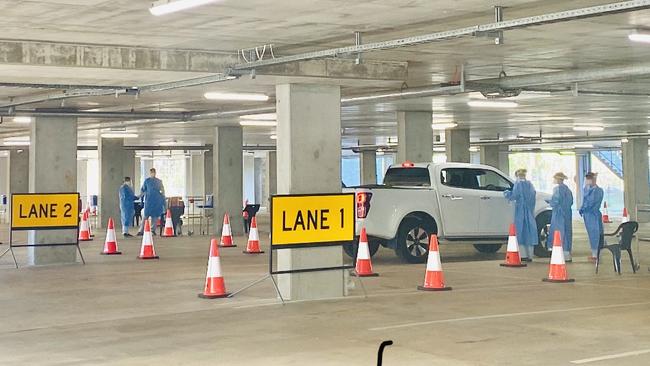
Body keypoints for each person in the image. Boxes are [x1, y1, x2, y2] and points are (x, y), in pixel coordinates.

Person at [504, 169, 538, 262]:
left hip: (520, 212)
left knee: (520, 232)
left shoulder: (518, 184)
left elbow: (514, 195)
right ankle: (530, 255)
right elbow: (533, 197)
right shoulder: (530, 185)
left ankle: (522, 255)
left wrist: (507, 193)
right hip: (529, 212)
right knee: (529, 232)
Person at [546, 172, 573, 261]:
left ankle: (560, 255)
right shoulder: (568, 190)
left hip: (558, 214)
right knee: (567, 232)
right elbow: (570, 202)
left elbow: (555, 201)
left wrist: (549, 202)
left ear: (558, 179)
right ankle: (567, 254)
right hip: (567, 214)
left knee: (558, 232)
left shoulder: (557, 189)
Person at [580, 172, 604, 261]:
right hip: (589, 215)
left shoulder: (597, 191)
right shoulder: (589, 190)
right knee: (592, 234)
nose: (586, 181)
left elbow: (590, 202)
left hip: (592, 215)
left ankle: (596, 254)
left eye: (588, 179)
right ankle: (595, 254)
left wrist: (584, 208)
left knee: (595, 234)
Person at [137, 168, 166, 236]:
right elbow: (143, 190)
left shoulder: (159, 181)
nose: (153, 174)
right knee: (145, 216)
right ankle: (141, 230)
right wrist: (141, 198)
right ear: (150, 173)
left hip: (156, 201)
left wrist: (163, 199)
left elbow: (162, 191)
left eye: (154, 172)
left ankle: (153, 230)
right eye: (151, 173)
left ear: (155, 173)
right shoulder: (147, 181)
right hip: (148, 201)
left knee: (155, 217)